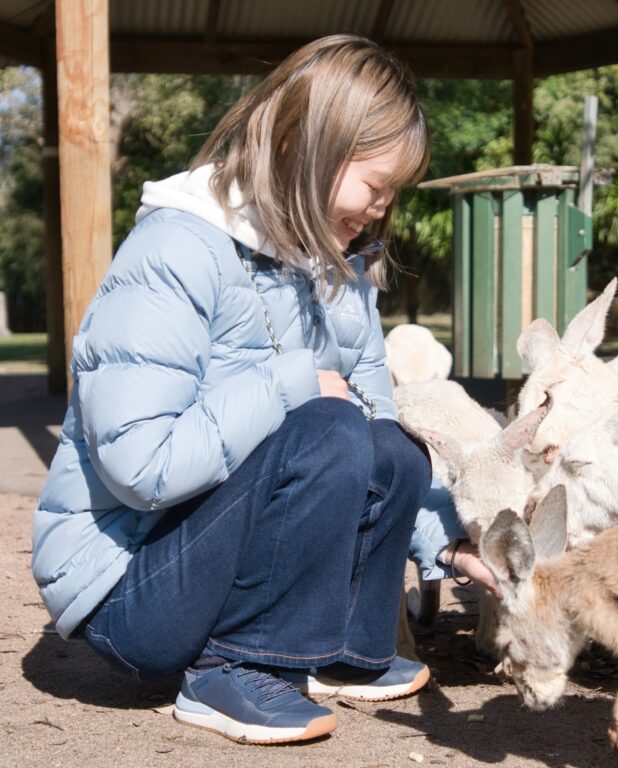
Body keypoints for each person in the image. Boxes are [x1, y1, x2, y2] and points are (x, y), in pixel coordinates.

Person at [31, 34, 490, 746]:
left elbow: (377, 437)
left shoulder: (338, 269)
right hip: (132, 591)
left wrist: (450, 544)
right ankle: (234, 667)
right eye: (377, 186)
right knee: (325, 427)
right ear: (316, 150)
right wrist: (284, 386)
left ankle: (341, 651)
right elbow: (139, 465)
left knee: (388, 446)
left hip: (209, 560)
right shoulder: (176, 252)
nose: (382, 209)